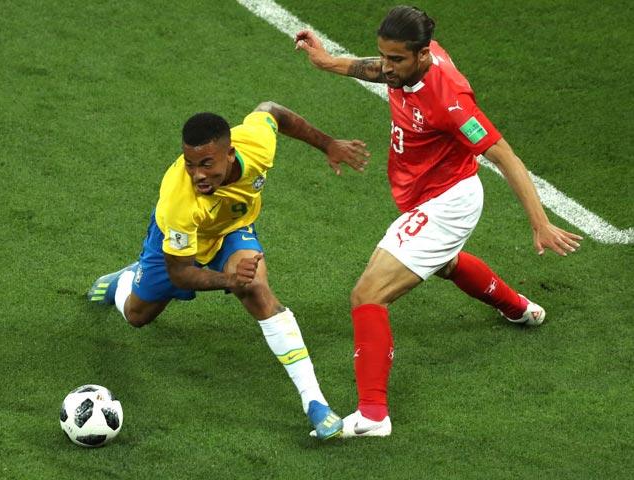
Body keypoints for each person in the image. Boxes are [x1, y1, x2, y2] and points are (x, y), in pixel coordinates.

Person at [295, 5, 583, 438]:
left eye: (397, 60)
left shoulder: (450, 102)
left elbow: (505, 157)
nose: (387, 67)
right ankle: (520, 309)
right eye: (384, 56)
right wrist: (326, 61)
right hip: (424, 195)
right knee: (444, 263)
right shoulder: (406, 67)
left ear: (424, 55)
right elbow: (375, 69)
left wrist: (540, 223)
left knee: (367, 294)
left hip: (448, 202)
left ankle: (374, 415)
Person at [87, 101, 370, 440]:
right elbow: (181, 272)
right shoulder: (179, 199)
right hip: (178, 246)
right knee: (137, 315)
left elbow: (273, 112)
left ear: (230, 153)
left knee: (255, 290)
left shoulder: (256, 145)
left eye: (206, 163)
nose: (197, 175)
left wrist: (328, 144)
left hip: (232, 230)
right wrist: (226, 280)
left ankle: (315, 404)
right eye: (190, 165)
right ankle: (125, 280)